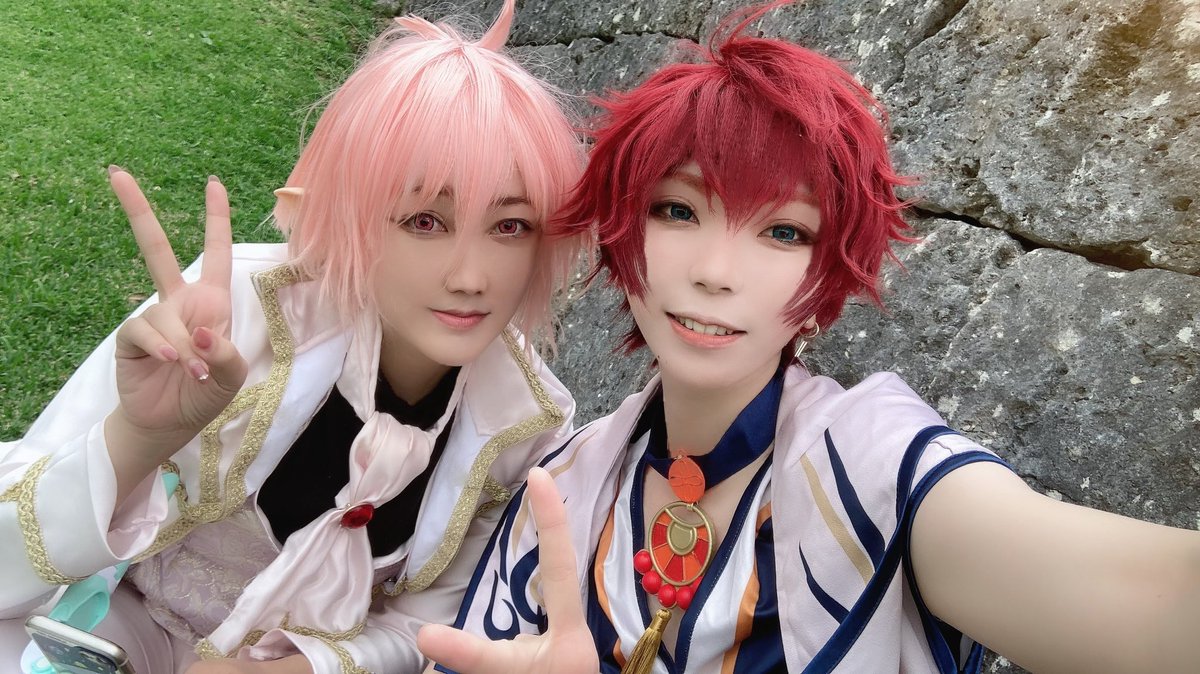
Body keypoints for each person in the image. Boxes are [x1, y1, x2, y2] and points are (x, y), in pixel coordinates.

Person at [415, 2, 1200, 673]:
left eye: (785, 231)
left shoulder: (874, 467)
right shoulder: (566, 482)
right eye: (679, 211)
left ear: (831, 271)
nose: (716, 272)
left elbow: (1140, 598)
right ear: (623, 230)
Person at [0, 1, 586, 672]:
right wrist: (139, 438)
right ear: (352, 212)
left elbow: (436, 618)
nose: (471, 277)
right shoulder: (235, 312)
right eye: (425, 221)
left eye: (510, 225)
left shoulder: (529, 422)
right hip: (117, 632)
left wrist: (298, 669)